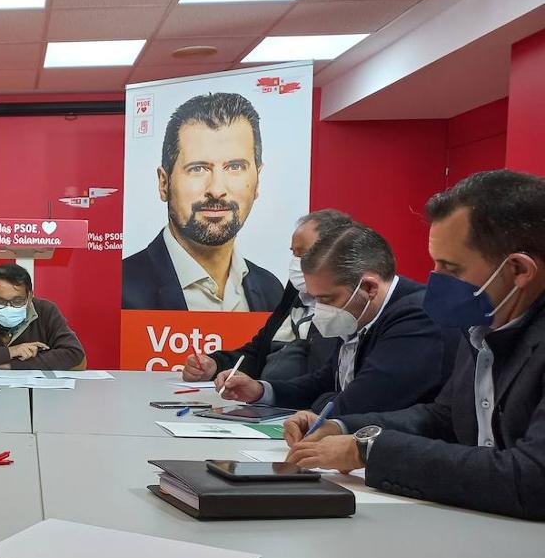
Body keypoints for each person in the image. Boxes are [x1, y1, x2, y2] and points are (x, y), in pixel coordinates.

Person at [285, 170, 545, 520]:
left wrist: (369, 451)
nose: (434, 281)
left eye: (451, 268)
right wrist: (345, 428)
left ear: (519, 270)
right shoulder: (483, 327)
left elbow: (531, 478)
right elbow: (442, 418)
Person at [219, 222, 456, 415]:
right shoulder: (360, 313)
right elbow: (323, 382)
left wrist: (328, 400)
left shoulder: (417, 317)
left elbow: (362, 403)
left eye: (328, 299)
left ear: (369, 287)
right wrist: (261, 391)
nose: (320, 309)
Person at [121, 92, 283, 311]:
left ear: (257, 179)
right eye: (198, 168)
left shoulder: (271, 290)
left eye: (235, 167)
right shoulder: (122, 289)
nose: (216, 190)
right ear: (164, 183)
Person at [182, 209, 353, 382]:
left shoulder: (345, 312)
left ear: (335, 256)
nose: (295, 262)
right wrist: (215, 365)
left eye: (303, 254)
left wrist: (266, 393)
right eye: (293, 253)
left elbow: (324, 380)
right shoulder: (294, 293)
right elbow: (257, 354)